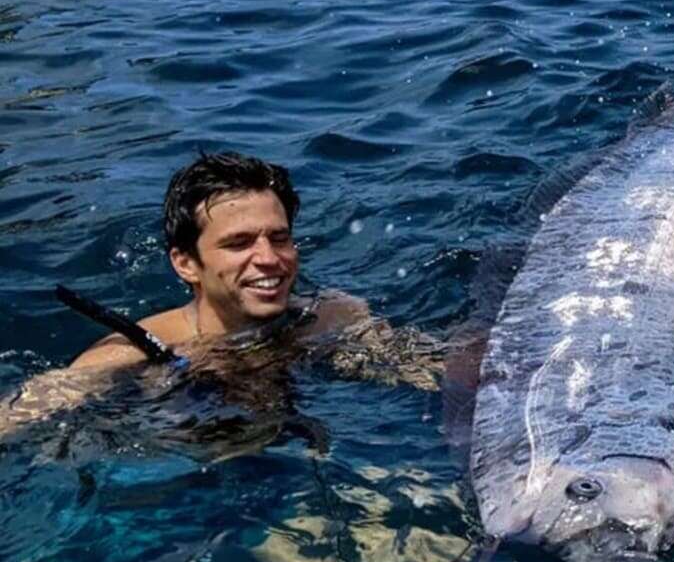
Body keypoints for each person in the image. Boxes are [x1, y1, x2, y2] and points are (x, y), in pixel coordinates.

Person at [1, 152, 438, 437]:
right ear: (185, 263)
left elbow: (429, 369)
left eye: (279, 238)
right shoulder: (130, 354)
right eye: (239, 243)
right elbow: (22, 415)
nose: (269, 259)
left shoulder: (332, 317)